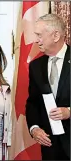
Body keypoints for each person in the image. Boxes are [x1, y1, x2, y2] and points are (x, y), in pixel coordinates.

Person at [26, 14, 70, 160]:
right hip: (50, 147)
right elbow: (33, 103)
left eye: (39, 35)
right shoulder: (36, 66)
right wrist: (34, 128)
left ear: (55, 35)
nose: (36, 40)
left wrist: (69, 112)